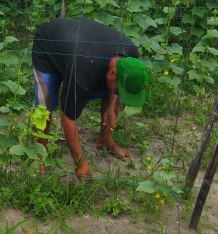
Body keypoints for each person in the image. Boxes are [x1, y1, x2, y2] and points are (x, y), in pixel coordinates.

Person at [32, 18, 149, 177]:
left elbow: (115, 88)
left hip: (81, 49)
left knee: (111, 93)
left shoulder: (131, 56)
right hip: (48, 44)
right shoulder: (84, 70)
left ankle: (106, 141)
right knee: (44, 106)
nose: (120, 95)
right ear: (112, 73)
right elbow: (68, 118)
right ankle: (40, 153)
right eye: (120, 90)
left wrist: (111, 107)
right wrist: (80, 162)